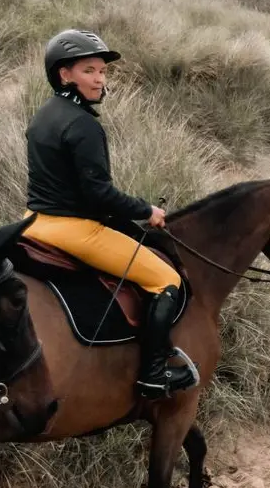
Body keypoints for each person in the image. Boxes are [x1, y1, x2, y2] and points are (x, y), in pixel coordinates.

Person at [23, 29, 198, 398]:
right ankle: (154, 375)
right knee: (166, 280)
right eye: (89, 71)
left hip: (33, 223)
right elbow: (99, 194)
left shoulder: (44, 115)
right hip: (74, 231)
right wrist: (146, 210)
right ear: (64, 74)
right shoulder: (83, 124)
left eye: (102, 71)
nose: (100, 79)